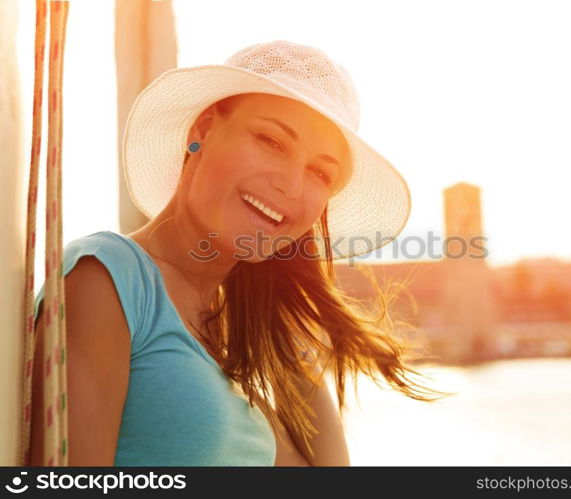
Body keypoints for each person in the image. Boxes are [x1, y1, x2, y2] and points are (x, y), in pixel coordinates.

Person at [30, 40, 447, 466]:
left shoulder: (241, 339)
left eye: (320, 172)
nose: (291, 186)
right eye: (271, 140)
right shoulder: (107, 279)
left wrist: (289, 325)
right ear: (203, 130)